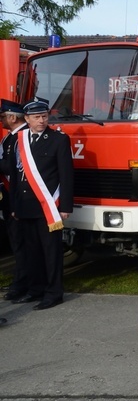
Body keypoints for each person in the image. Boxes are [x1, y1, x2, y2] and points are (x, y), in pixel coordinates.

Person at [8, 98, 73, 310]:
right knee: (31, 251)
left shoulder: (58, 140)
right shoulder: (21, 140)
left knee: (51, 252)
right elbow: (17, 176)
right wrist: (14, 206)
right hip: (26, 205)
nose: (41, 121)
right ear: (26, 119)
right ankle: (35, 289)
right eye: (36, 117)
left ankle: (54, 292)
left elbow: (66, 175)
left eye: (44, 116)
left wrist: (65, 207)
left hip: (48, 207)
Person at [0, 100, 29, 302]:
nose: (1, 120)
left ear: (12, 117)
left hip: (21, 198)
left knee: (21, 243)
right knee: (16, 242)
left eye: (3, 116)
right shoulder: (9, 138)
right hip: (10, 197)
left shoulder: (21, 137)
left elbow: (15, 169)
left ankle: (22, 282)